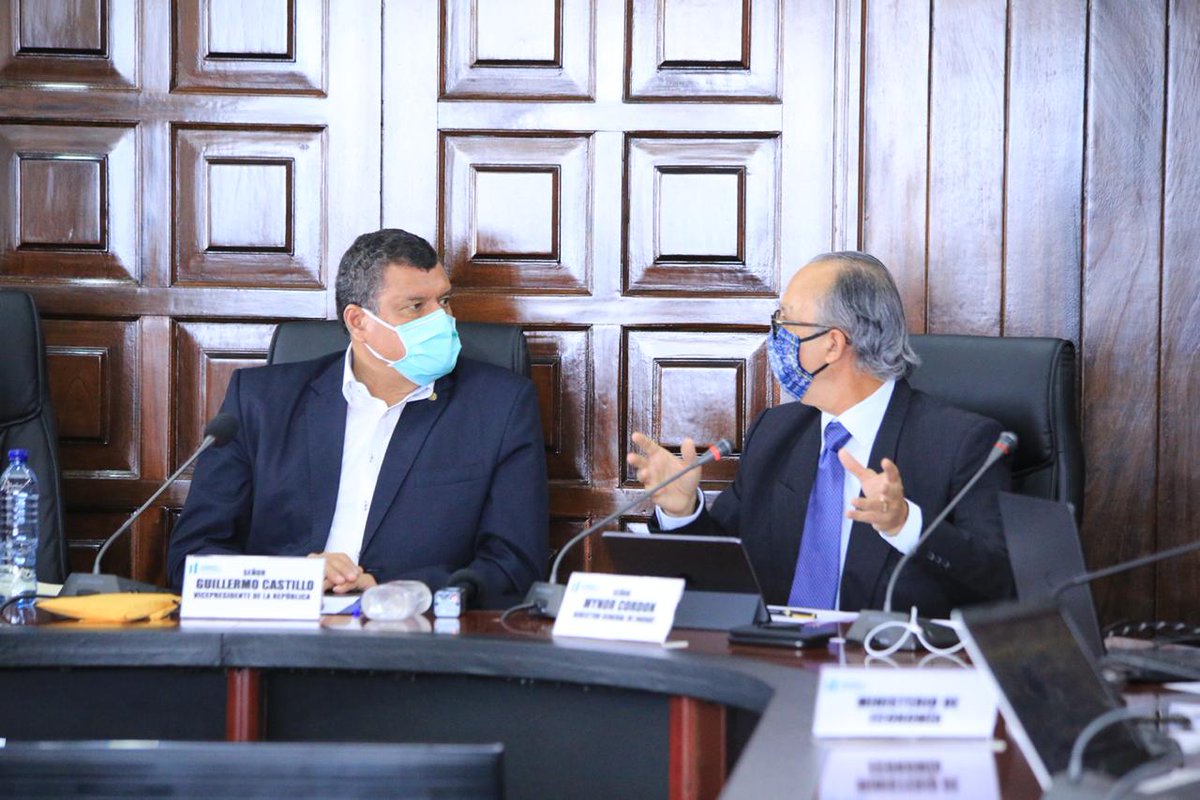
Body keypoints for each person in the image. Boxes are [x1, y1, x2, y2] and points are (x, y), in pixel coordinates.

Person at [167, 229, 548, 607]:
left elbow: (514, 565)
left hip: (414, 631)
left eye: (444, 301)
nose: (442, 320)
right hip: (277, 627)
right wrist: (293, 579)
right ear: (358, 321)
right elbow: (192, 555)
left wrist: (391, 590)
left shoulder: (499, 406)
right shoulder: (261, 402)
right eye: (416, 307)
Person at [626, 252, 1014, 618]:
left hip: (880, 658)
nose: (774, 336)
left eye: (785, 321)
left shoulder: (962, 444)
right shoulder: (775, 433)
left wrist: (905, 524)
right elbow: (723, 570)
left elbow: (1000, 583)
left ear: (832, 344)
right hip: (769, 655)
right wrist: (682, 512)